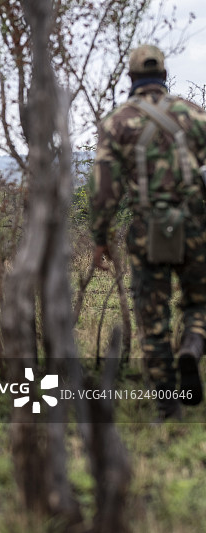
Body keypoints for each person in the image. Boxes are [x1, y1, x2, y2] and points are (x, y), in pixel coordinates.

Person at [91, 44, 206, 421]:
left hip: (146, 231)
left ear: (131, 77)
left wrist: (100, 237)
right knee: (200, 302)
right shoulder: (194, 114)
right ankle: (192, 345)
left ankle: (168, 407)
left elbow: (105, 190)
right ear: (165, 75)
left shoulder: (116, 123)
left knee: (153, 321)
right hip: (194, 226)